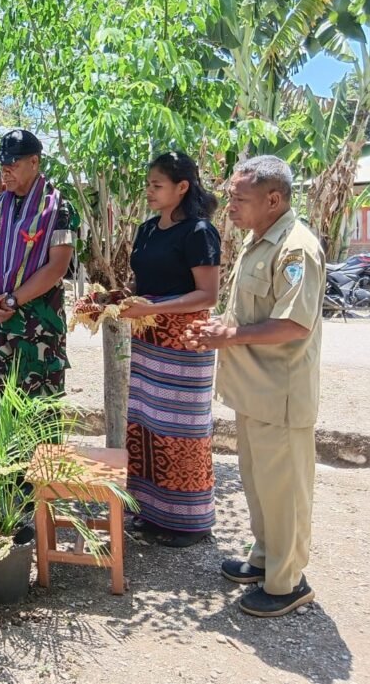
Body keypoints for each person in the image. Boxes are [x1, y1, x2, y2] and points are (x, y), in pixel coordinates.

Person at [185, 156, 324, 618]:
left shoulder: (295, 249)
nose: (230, 208)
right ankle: (265, 560)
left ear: (273, 199)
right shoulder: (258, 239)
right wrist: (218, 327)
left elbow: (293, 324)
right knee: (260, 487)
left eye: (239, 199)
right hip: (253, 391)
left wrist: (232, 335)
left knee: (284, 493)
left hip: (280, 396)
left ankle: (288, 583)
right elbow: (246, 311)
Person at [119, 152, 221, 548]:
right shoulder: (146, 230)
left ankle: (189, 521)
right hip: (146, 340)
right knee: (145, 423)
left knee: (181, 429)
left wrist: (154, 308)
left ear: (182, 187)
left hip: (184, 342)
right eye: (148, 184)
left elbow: (207, 295)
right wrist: (116, 301)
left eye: (156, 185)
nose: (149, 191)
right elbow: (141, 282)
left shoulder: (199, 232)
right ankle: (149, 511)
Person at [0, 130, 77, 409]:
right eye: (2, 166)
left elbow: (57, 266)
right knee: (0, 408)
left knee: (39, 411)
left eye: (13, 165)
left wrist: (12, 300)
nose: (5, 172)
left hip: (38, 327)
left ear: (34, 162)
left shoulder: (59, 207)